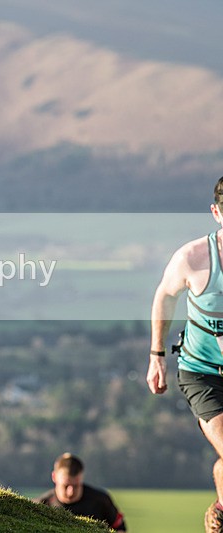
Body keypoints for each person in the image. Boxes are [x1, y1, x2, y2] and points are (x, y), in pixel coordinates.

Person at [148, 176, 223, 532]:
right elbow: (165, 296)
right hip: (202, 373)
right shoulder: (193, 258)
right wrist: (156, 354)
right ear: (215, 213)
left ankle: (220, 511)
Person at [35, 453, 127, 531]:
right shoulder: (39, 506)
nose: (70, 492)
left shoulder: (101, 501)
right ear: (54, 477)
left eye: (76, 486)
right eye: (66, 486)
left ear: (82, 478)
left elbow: (119, 528)